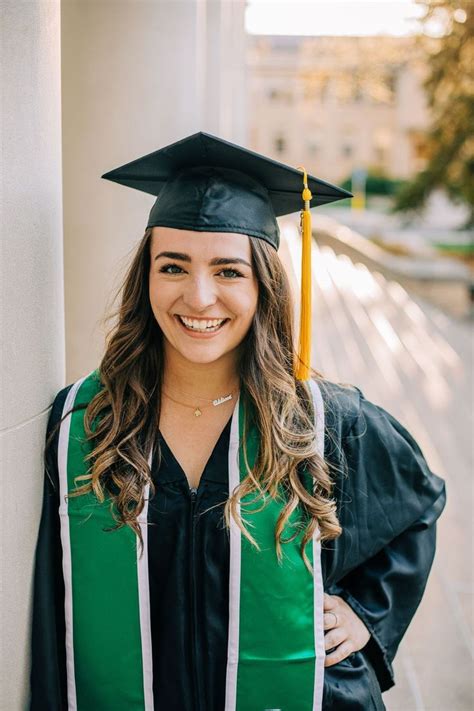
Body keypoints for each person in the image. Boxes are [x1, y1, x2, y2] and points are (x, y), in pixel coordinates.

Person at [30, 132, 447, 711]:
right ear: (145, 278)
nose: (199, 297)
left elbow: (416, 509)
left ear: (264, 287)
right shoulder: (84, 421)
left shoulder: (327, 423)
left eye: (229, 272)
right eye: (172, 266)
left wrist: (365, 615)